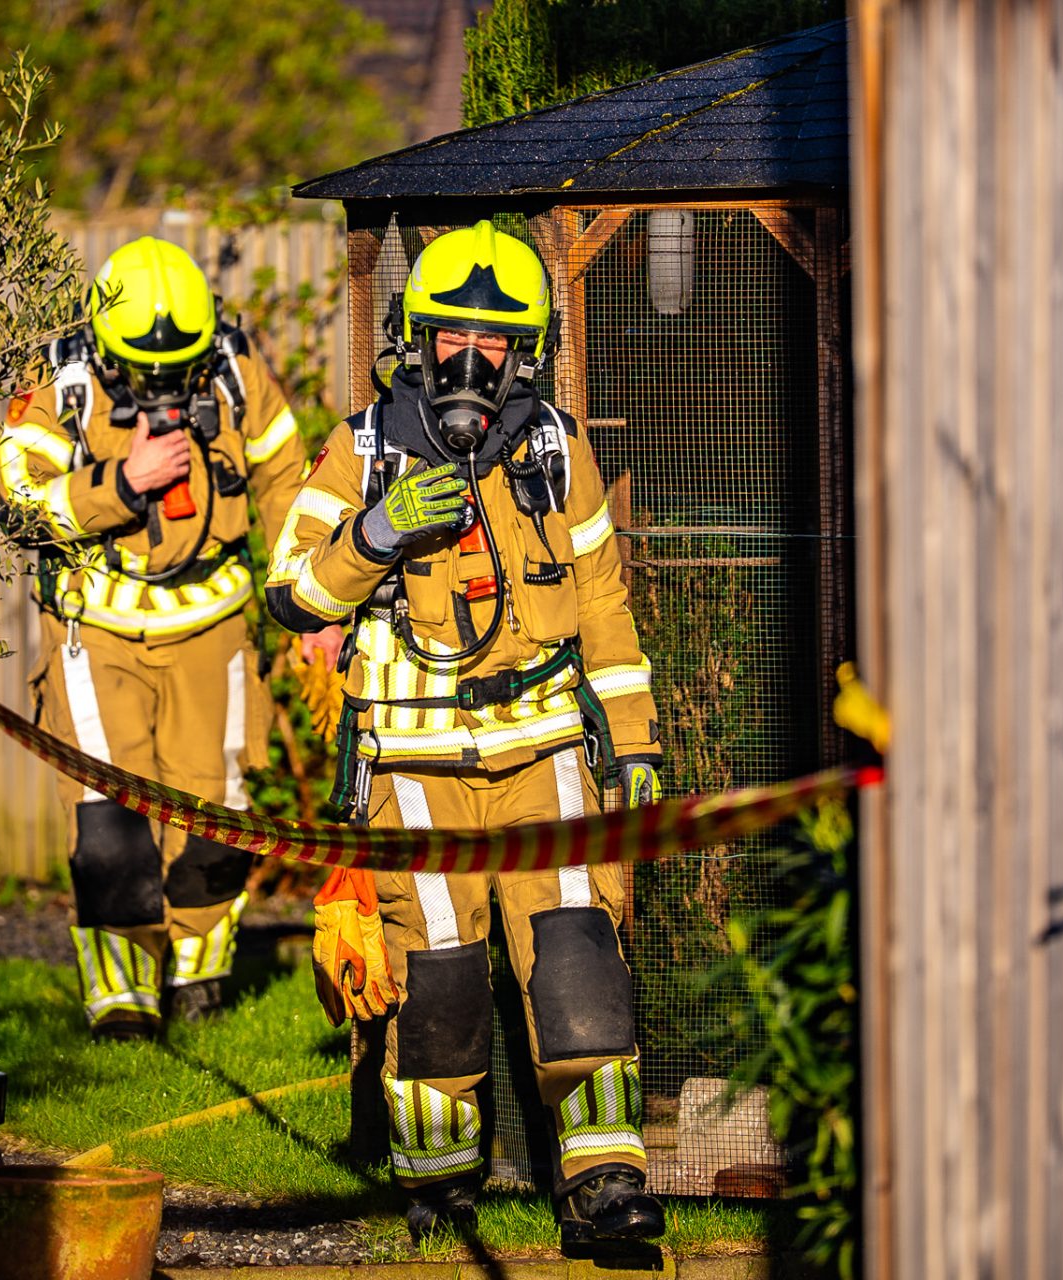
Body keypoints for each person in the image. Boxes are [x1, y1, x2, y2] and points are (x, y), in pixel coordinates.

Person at [267, 222, 665, 1243]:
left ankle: (603, 1185)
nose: (472, 358)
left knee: (578, 958)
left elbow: (604, 604)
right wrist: (374, 535)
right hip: (412, 762)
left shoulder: (554, 451)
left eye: (497, 341)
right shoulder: (359, 451)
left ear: (526, 350)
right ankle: (438, 1182)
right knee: (437, 976)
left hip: (544, 751)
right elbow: (290, 591)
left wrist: (634, 740)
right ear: (414, 335)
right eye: (453, 335)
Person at [0, 237, 341, 1040]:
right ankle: (122, 1004)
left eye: (178, 368)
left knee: (216, 819)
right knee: (107, 826)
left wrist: (311, 603)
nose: (162, 386)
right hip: (99, 627)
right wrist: (122, 485)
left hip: (213, 624)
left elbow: (289, 486)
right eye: (143, 372)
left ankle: (198, 977)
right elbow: (18, 503)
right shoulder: (62, 384)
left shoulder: (234, 368)